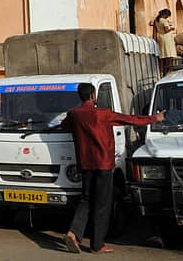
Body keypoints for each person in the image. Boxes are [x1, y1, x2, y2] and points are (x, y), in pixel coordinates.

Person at [62, 83, 165, 254]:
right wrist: (155, 118)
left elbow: (64, 126)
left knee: (86, 199)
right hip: (103, 164)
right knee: (102, 204)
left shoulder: (74, 114)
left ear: (80, 96)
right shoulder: (103, 114)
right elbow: (129, 119)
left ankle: (73, 233)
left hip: (85, 165)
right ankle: (97, 244)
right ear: (93, 96)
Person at [151, 9, 178, 74]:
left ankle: (161, 72)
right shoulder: (164, 21)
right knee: (168, 56)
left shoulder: (156, 20)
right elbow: (166, 30)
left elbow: (154, 32)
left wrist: (154, 40)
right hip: (166, 39)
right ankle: (168, 71)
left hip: (160, 39)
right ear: (165, 14)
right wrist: (172, 28)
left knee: (162, 57)